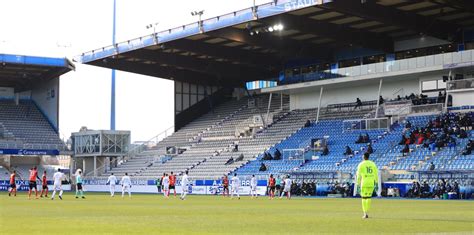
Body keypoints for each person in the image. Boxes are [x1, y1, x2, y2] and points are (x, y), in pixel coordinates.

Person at [356, 152, 379, 219]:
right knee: (369, 197)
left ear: (363, 157)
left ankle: (365, 213)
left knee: (364, 198)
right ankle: (367, 212)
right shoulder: (373, 164)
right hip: (371, 181)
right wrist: (376, 183)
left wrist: (358, 184)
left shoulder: (361, 164)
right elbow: (376, 174)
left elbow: (358, 176)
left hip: (364, 182)